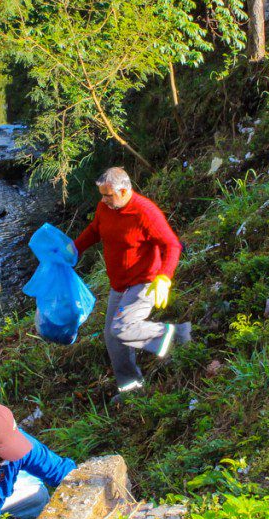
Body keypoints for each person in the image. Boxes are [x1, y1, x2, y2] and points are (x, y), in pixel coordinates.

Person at [74, 167, 190, 396]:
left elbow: (172, 245)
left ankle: (177, 334)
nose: (104, 200)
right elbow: (94, 230)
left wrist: (164, 278)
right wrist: (73, 250)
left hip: (145, 281)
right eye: (102, 195)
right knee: (112, 337)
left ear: (124, 190)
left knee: (122, 328)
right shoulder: (105, 207)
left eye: (108, 195)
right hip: (119, 284)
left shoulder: (145, 213)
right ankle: (131, 388)